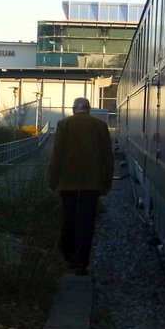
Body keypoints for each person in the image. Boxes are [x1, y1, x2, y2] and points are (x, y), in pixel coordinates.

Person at [47, 97, 114, 275]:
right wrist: (107, 182)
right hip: (92, 183)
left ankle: (69, 256)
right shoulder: (100, 126)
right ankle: (82, 262)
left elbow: (57, 156)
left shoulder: (64, 125)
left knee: (69, 219)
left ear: (73, 109)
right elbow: (108, 156)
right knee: (86, 222)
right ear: (89, 109)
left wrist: (52, 181)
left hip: (67, 182)